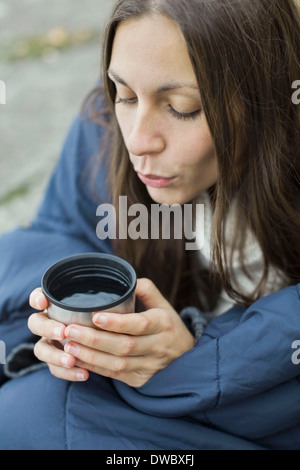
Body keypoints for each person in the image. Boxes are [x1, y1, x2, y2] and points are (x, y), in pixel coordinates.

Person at [0, 0, 300, 450]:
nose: (138, 140)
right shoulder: (101, 130)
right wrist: (60, 330)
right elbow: (59, 234)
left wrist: (196, 358)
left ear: (267, 99)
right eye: (124, 94)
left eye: (182, 107)